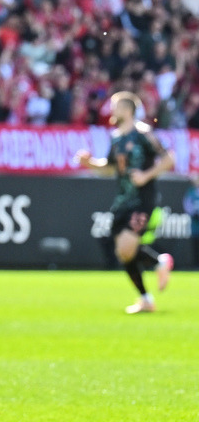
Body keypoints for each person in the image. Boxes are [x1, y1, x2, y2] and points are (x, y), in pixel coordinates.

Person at [75, 91, 175, 313]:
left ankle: (159, 265)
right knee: (123, 253)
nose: (111, 109)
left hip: (142, 199)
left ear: (128, 109)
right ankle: (147, 296)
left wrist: (146, 175)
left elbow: (169, 159)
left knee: (127, 246)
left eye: (115, 105)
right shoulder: (116, 137)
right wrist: (89, 163)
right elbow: (110, 168)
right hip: (122, 200)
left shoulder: (143, 133)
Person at [184, 173, 199, 268]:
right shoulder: (191, 192)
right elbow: (187, 204)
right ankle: (196, 265)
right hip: (195, 226)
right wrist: (194, 213)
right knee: (196, 247)